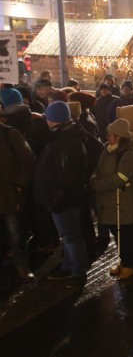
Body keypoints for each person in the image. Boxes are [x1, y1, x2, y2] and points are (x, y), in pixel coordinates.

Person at [37, 102, 90, 285]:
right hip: (65, 197)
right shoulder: (66, 135)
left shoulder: (66, 141)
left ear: (54, 119)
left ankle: (78, 273)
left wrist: (56, 199)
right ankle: (68, 266)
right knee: (69, 236)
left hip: (64, 199)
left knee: (71, 236)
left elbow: (65, 175)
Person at [90, 119, 133, 280]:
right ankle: (124, 261)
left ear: (118, 136)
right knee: (117, 233)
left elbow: (120, 178)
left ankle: (129, 264)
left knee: (126, 234)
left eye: (110, 135)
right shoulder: (109, 149)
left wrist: (98, 185)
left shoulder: (130, 154)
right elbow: (99, 168)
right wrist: (94, 178)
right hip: (109, 201)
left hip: (123, 201)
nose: (107, 137)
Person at [0, 115, 36, 281]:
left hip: (8, 194)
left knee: (15, 233)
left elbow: (28, 161)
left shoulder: (10, 134)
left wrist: (19, 186)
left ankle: (21, 265)